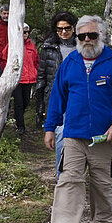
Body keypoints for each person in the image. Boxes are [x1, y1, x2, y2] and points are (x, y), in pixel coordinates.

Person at [43, 15, 112, 223]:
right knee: (69, 180)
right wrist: (50, 128)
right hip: (73, 134)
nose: (86, 40)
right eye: (82, 36)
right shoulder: (70, 62)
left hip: (103, 137)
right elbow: (57, 97)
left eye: (91, 35)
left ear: (100, 36)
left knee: (102, 183)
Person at [34, 10, 78, 177]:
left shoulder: (82, 46)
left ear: (73, 28)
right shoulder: (48, 48)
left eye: (67, 28)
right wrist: (40, 104)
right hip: (57, 98)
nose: (64, 32)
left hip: (78, 97)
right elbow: (42, 75)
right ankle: (62, 178)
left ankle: (76, 174)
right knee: (60, 136)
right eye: (60, 29)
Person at [3, 23, 40, 134]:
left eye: (27, 32)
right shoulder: (12, 45)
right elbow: (4, 58)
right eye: (24, 32)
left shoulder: (31, 46)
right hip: (17, 79)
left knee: (26, 102)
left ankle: (17, 118)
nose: (26, 34)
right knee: (18, 103)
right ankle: (21, 126)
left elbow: (36, 61)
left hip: (29, 79)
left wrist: (36, 72)